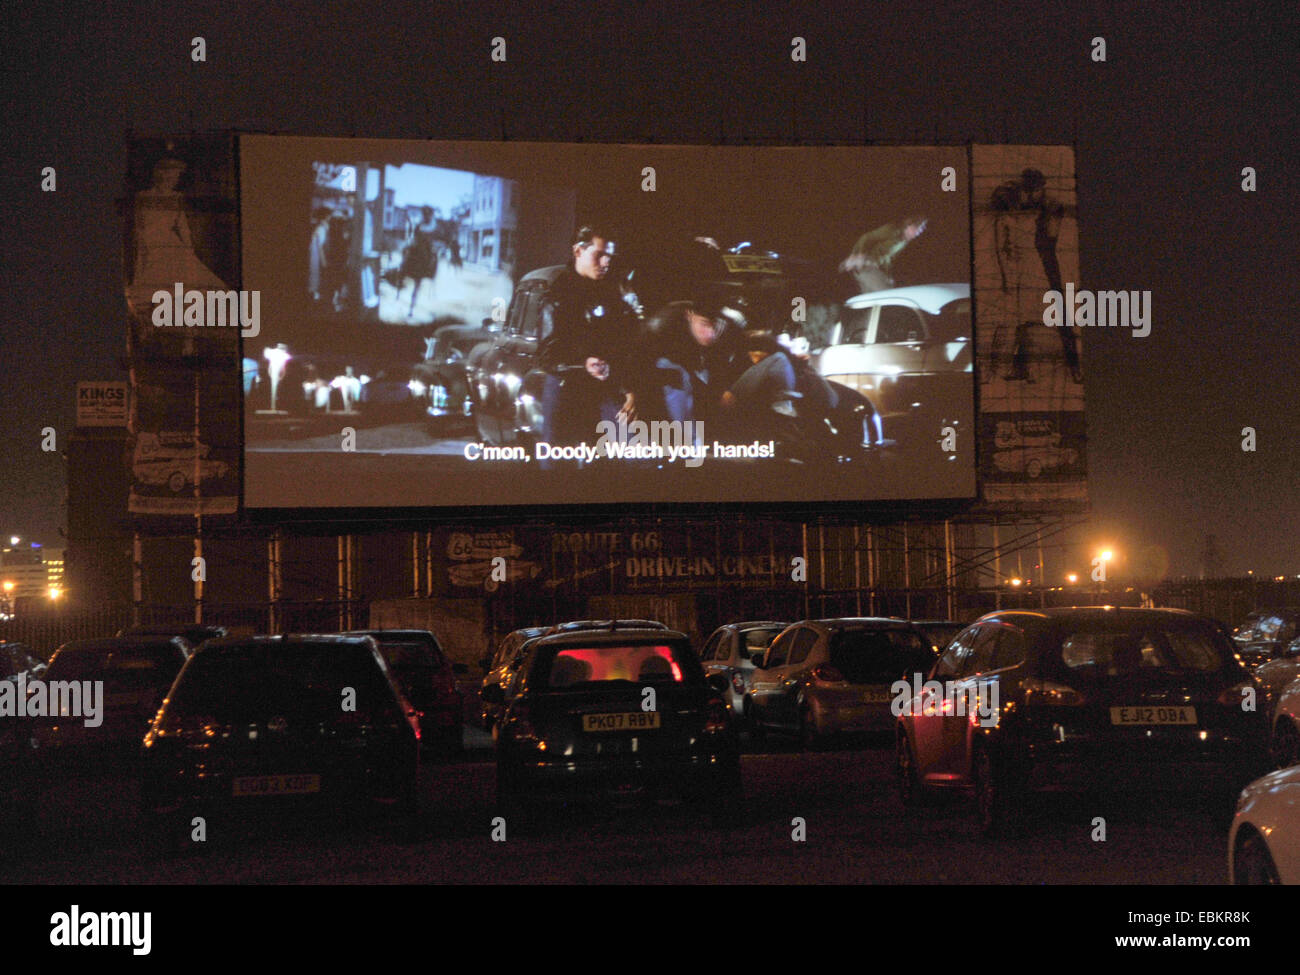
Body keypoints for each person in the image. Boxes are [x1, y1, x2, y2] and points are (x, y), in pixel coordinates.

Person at [536, 226, 639, 451]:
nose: (605, 262)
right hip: (566, 389)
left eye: (609, 256)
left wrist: (627, 389)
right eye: (599, 255)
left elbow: (624, 345)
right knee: (557, 462)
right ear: (577, 252)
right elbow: (547, 356)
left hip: (605, 387)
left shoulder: (613, 294)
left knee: (634, 454)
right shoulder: (557, 295)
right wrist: (583, 365)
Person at [990, 168, 1082, 383]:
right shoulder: (1016, 214)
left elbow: (1052, 238)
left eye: (1034, 191)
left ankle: (1075, 369)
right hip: (1029, 271)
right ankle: (1020, 368)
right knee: (1024, 321)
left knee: (1061, 320)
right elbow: (1006, 248)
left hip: (1047, 269)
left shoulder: (1048, 208)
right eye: (1028, 191)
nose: (1031, 195)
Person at [839, 216, 927, 294]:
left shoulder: (903, 242)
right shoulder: (892, 229)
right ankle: (850, 262)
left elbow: (889, 259)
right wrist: (859, 254)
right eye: (919, 228)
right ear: (910, 225)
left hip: (875, 267)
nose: (920, 232)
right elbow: (867, 237)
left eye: (922, 230)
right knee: (887, 294)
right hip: (866, 263)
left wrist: (888, 275)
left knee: (873, 299)